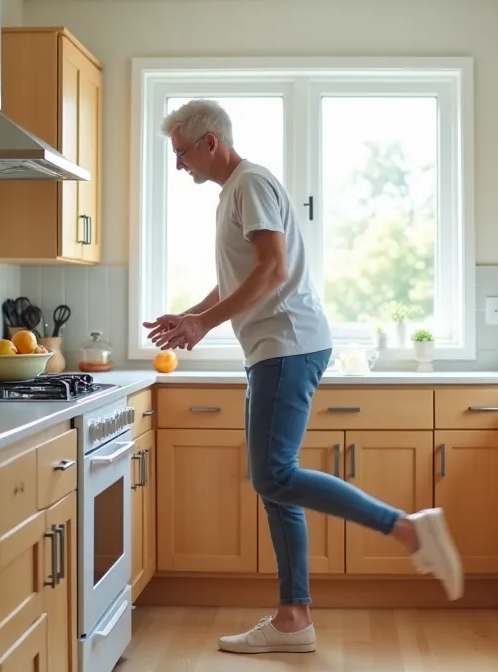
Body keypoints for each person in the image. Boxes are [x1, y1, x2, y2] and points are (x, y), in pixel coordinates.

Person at [143, 99, 464, 655]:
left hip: (286, 347)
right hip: (273, 349)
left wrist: (203, 324)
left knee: (273, 475)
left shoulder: (249, 183)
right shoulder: (235, 191)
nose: (178, 165)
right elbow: (242, 275)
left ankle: (407, 528)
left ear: (210, 142)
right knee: (274, 484)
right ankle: (293, 619)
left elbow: (274, 269)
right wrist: (191, 316)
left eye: (182, 152)